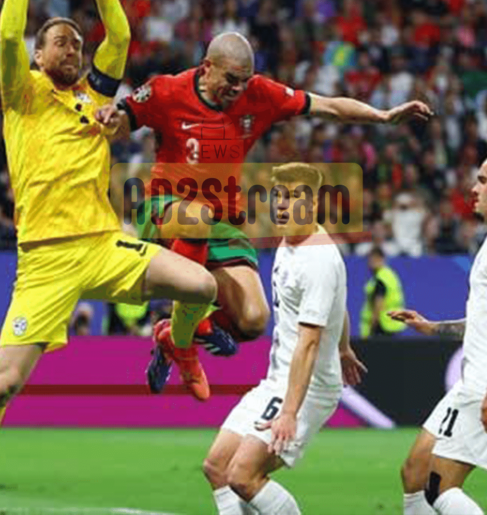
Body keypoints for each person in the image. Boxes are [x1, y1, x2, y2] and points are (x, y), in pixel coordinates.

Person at [0, 0, 217, 514]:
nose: (75, 49)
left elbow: (123, 35)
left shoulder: (94, 96)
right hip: (45, 265)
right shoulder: (22, 95)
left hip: (102, 247)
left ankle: (174, 340)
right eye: (62, 41)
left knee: (201, 285)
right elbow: (6, 33)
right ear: (38, 55)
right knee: (0, 387)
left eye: (78, 43)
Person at [101, 31, 431, 400]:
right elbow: (121, 121)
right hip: (162, 209)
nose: (239, 89)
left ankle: (171, 333)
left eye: (244, 81)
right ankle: (184, 345)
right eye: (231, 80)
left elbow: (328, 107)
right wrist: (107, 119)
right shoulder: (166, 90)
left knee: (253, 319)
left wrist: (383, 116)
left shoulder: (260, 94)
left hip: (218, 220)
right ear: (207, 67)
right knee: (196, 218)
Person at [201, 163, 366, 514]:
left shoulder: (318, 259)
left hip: (308, 389)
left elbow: (307, 343)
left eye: (292, 197)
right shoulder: (290, 241)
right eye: (278, 196)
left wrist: (290, 413)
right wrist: (343, 346)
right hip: (277, 380)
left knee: (244, 475)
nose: (281, 204)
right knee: (217, 468)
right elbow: (338, 302)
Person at [390, 153, 487, 515]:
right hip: (477, 379)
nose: (473, 189)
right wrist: (433, 327)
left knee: (440, 487)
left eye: (482, 181)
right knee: (414, 473)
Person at [360, 247, 408, 337]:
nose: (370, 262)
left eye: (373, 259)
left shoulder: (381, 280)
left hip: (381, 327)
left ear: (381, 259)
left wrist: (371, 328)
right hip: (393, 324)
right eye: (369, 259)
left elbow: (378, 306)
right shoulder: (390, 275)